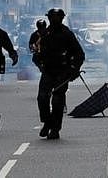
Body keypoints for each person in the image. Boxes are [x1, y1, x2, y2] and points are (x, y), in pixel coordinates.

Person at [34, 9, 84, 140]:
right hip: (48, 71)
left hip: (62, 72)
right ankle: (47, 122)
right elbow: (38, 53)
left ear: (62, 18)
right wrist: (39, 62)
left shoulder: (67, 34)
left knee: (57, 101)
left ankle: (55, 128)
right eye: (52, 17)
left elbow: (79, 54)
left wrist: (74, 69)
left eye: (57, 17)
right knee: (42, 98)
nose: (54, 20)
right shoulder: (45, 34)